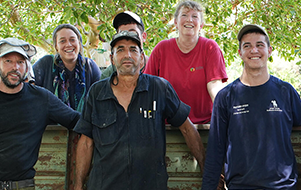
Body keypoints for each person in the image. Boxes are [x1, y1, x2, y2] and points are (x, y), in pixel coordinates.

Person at [72, 31, 205, 190]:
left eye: (133, 49)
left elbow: (187, 128)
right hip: (104, 185)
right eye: (120, 50)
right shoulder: (97, 92)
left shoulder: (159, 88)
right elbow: (86, 142)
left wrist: (206, 168)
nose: (127, 54)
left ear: (142, 58)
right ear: (112, 59)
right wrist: (78, 185)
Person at [201, 24, 301, 189]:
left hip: (282, 186)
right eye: (247, 46)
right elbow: (215, 149)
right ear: (240, 53)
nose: (254, 50)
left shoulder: (285, 91)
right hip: (241, 186)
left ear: (269, 50)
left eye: (259, 45)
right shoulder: (226, 97)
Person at [0, 38, 80, 190]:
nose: (15, 67)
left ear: (26, 67)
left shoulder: (42, 99)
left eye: (20, 62)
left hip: (24, 186)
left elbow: (77, 121)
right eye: (8, 61)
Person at [144, 0, 228, 124]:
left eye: (195, 16)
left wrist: (226, 114)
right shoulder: (162, 49)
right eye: (184, 15)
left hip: (204, 124)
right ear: (176, 22)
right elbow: (147, 86)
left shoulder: (210, 47)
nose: (189, 20)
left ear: (201, 25)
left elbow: (215, 85)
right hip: (168, 126)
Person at [32, 24, 101, 111]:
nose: (68, 44)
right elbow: (28, 91)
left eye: (72, 40)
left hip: (84, 123)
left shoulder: (90, 66)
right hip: (51, 124)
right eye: (62, 41)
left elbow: (101, 99)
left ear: (79, 43)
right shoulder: (45, 64)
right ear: (56, 46)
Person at [101, 11, 148, 79]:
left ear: (143, 36)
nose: (128, 38)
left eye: (132, 32)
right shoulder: (108, 74)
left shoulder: (155, 67)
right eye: (122, 33)